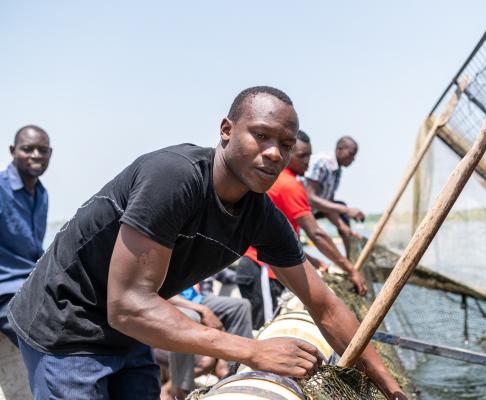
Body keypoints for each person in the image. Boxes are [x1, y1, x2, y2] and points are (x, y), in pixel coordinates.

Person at [8, 86, 405, 400]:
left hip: (127, 332)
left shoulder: (261, 215)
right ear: (227, 130)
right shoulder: (173, 178)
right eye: (261, 135)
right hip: (65, 321)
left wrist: (388, 385)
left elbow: (323, 305)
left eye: (285, 145)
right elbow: (128, 304)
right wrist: (252, 351)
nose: (273, 153)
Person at [238, 130, 367, 329]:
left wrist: (313, 260)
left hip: (267, 267)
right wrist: (351, 270)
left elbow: (286, 240)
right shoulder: (289, 185)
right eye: (302, 156)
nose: (308, 161)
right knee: (264, 330)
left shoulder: (285, 181)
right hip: (260, 268)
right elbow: (316, 233)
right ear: (287, 156)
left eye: (309, 155)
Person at [0, 125, 52, 346]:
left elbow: (33, 251)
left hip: (33, 286)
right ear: (13, 150)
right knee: (51, 338)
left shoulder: (41, 193)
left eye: (43, 150)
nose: (36, 155)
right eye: (28, 149)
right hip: (6, 293)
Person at [165, 270, 253, 398]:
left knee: (242, 305)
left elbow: (224, 274)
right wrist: (203, 310)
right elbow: (159, 293)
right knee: (191, 317)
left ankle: (238, 371)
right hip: (173, 301)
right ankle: (181, 390)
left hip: (200, 297)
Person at [304, 136, 364, 257]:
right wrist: (347, 210)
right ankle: (345, 264)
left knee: (341, 208)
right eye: (351, 154)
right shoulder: (322, 162)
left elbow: (328, 205)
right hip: (301, 207)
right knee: (342, 209)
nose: (353, 159)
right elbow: (310, 198)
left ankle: (350, 260)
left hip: (316, 209)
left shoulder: (337, 170)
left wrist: (343, 227)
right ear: (339, 150)